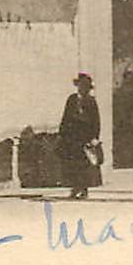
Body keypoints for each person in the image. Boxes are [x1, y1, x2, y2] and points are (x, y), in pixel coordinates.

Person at [57, 72, 103, 200]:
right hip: (72, 136)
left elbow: (96, 121)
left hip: (85, 136)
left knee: (85, 164)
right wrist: (62, 133)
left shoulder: (91, 101)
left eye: (86, 86)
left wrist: (95, 137)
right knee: (73, 163)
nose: (83, 88)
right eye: (82, 85)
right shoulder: (72, 99)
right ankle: (74, 188)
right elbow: (65, 117)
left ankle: (84, 189)